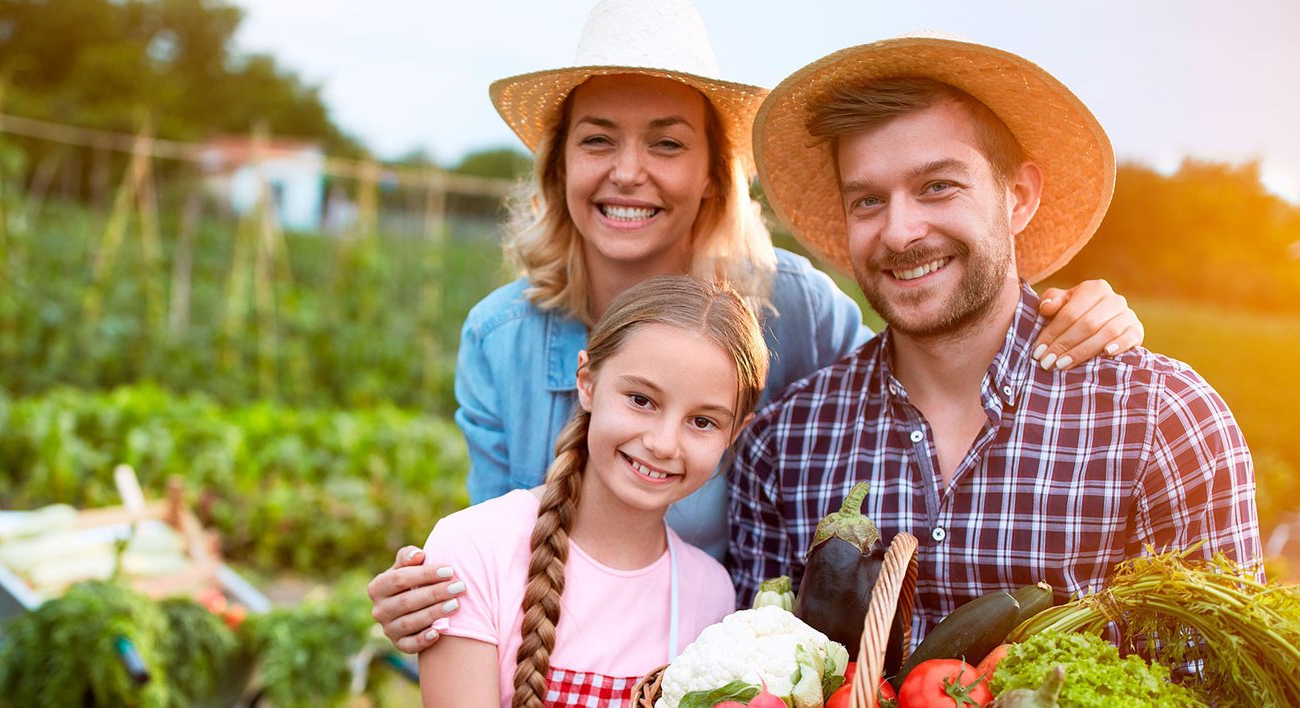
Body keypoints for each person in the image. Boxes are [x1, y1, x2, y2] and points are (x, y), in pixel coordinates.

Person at [370, 0, 1143, 653]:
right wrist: (432, 594)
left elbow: (914, 380)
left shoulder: (792, 308)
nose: (627, 171)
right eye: (597, 139)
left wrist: (1058, 308)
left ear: (712, 172)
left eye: (667, 142)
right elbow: (494, 552)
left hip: (719, 657)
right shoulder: (501, 338)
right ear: (558, 166)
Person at [729, 36, 1264, 635]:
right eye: (869, 201)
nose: (901, 232)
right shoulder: (785, 445)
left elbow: (1217, 683)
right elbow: (766, 683)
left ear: (1019, 197)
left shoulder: (1163, 423)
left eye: (937, 186)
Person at [419, 275, 766, 707]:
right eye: (641, 399)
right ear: (587, 382)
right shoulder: (473, 549)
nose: (662, 443)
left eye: (703, 422)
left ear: (734, 433)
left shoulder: (709, 592)